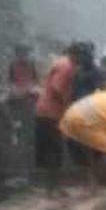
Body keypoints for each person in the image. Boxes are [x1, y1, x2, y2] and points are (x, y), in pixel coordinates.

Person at [34, 44, 78, 172]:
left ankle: (46, 181)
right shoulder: (67, 66)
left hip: (44, 109)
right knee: (54, 148)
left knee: (46, 148)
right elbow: (56, 87)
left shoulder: (61, 62)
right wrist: (66, 103)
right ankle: (53, 181)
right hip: (52, 112)